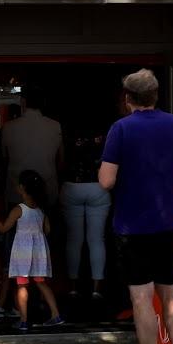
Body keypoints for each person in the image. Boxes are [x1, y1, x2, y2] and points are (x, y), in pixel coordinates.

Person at [98, 68, 173, 344]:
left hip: (133, 226)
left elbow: (106, 180)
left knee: (141, 298)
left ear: (127, 99)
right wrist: (168, 178)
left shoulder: (121, 130)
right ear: (156, 96)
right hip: (166, 224)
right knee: (170, 294)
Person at [0, 169, 64, 333]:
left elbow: (3, 228)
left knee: (22, 285)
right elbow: (48, 230)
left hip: (23, 250)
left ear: (22, 187)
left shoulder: (18, 209)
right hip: (38, 250)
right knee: (41, 282)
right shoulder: (40, 210)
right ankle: (56, 314)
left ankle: (23, 320)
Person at [60, 122, 112, 301]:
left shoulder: (67, 136)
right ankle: (97, 288)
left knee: (74, 239)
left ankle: (73, 287)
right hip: (97, 186)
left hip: (72, 186)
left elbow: (60, 161)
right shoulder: (104, 138)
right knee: (97, 239)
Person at [0, 87, 63, 205]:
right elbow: (61, 160)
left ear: (23, 102)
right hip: (48, 191)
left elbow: (4, 159)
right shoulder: (55, 126)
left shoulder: (8, 127)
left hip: (17, 193)